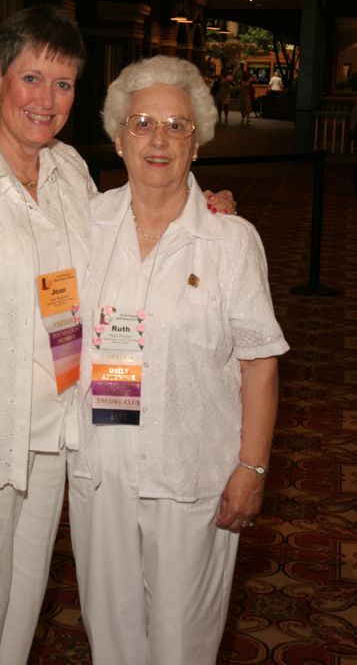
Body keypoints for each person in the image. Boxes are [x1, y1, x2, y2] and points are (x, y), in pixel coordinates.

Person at [0, 6, 235, 665]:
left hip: (51, 443)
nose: (46, 99)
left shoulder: (68, 175)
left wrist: (197, 209)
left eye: (62, 85)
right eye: (32, 79)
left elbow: (124, 238)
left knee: (14, 622)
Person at [68, 55, 289, 665]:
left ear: (198, 144)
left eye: (177, 126)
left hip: (192, 475)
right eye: (142, 123)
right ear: (118, 137)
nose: (159, 140)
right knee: (108, 639)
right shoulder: (81, 225)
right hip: (100, 467)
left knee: (182, 646)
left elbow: (260, 362)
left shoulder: (230, 240)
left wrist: (254, 468)